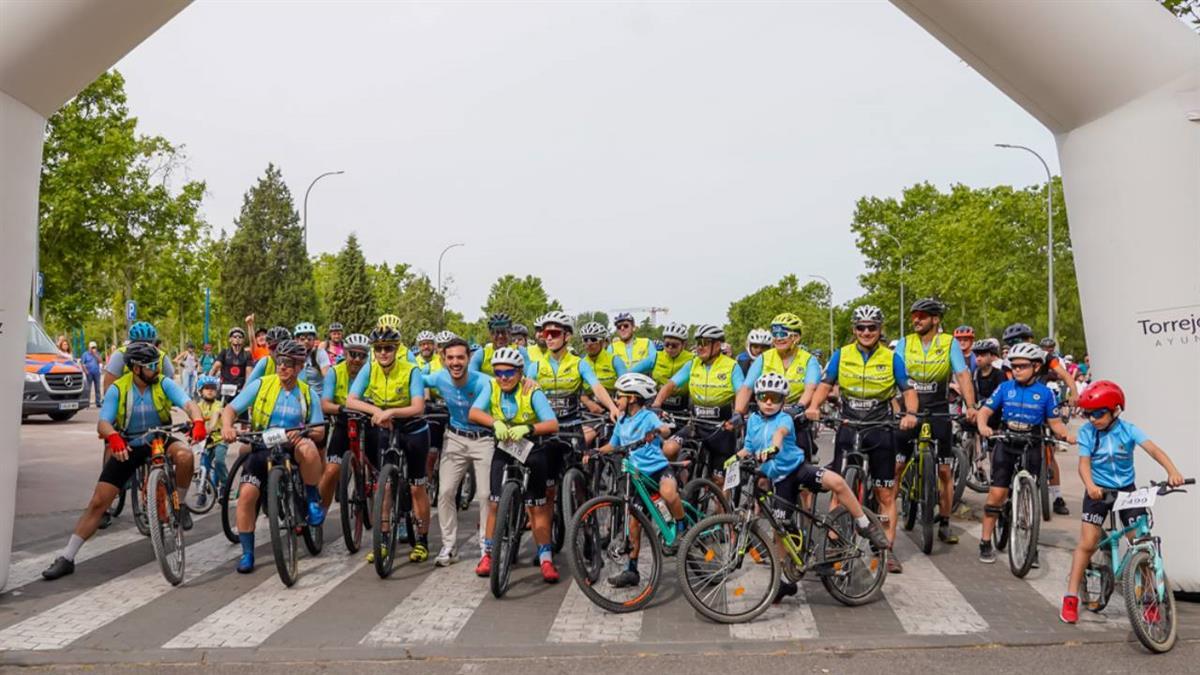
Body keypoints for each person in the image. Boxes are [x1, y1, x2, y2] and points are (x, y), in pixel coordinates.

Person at [41, 342, 207, 580]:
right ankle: (67, 556)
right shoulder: (118, 389)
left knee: (185, 455)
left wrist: (198, 420)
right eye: (150, 366)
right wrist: (114, 437)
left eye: (156, 364)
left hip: (159, 438)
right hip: (128, 444)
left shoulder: (163, 383)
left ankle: (177, 506)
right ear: (136, 368)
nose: (156, 369)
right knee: (99, 501)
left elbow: (189, 404)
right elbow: (103, 423)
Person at [738, 372, 891, 599]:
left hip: (798, 470)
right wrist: (736, 458)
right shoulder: (753, 421)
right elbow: (748, 447)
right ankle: (784, 581)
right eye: (764, 397)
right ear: (757, 398)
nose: (769, 402)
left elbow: (780, 435)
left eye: (775, 397)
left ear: (783, 400)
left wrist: (773, 449)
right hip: (779, 480)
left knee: (837, 481)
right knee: (780, 529)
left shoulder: (785, 419)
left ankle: (864, 523)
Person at [1060, 380, 1185, 624]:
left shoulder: (1128, 430)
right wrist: (1091, 486)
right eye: (1088, 414)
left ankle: (1149, 598)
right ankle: (1070, 597)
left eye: (1098, 413)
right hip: (1098, 491)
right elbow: (1083, 465)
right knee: (1087, 543)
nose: (1092, 419)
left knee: (1140, 542)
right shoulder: (1087, 432)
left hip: (1127, 491)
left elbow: (1154, 450)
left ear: (1115, 410)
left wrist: (1173, 471)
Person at [805, 305, 917, 572]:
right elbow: (824, 384)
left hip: (880, 427)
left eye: (872, 327)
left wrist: (910, 413)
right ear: (854, 329)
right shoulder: (841, 355)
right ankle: (833, 544)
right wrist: (814, 407)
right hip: (849, 423)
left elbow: (908, 390)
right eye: (861, 327)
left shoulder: (892, 358)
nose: (866, 332)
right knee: (838, 488)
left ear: (880, 330)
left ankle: (886, 550)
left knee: (885, 493)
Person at [220, 339, 326, 573]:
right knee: (247, 495)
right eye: (279, 362)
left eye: (288, 363)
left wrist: (305, 432)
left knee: (308, 448)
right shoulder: (261, 385)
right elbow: (230, 409)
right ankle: (247, 553)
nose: (282, 367)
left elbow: (320, 431)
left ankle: (310, 498)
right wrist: (227, 427)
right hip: (263, 444)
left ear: (299, 367)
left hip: (293, 446)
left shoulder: (308, 394)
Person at [975, 342, 1075, 565]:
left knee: (1030, 498)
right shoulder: (1005, 388)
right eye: (1014, 366)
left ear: (1036, 366)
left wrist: (1066, 435)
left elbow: (1056, 423)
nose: (1017, 370)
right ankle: (985, 541)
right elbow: (985, 411)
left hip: (1032, 444)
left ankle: (1030, 544)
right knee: (997, 495)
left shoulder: (1046, 393)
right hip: (1006, 442)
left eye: (1022, 366)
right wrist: (983, 426)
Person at [468, 347, 561, 582]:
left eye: (509, 372)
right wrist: (494, 421)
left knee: (537, 507)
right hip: (505, 447)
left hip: (531, 447)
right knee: (494, 503)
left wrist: (529, 428)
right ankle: (488, 554)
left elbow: (552, 423)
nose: (503, 378)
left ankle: (546, 558)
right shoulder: (492, 387)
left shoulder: (532, 390)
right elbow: (474, 412)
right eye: (498, 372)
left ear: (520, 373)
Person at [894, 298, 977, 548]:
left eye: (922, 315)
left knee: (944, 471)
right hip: (910, 411)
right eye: (914, 316)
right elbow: (894, 374)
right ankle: (886, 516)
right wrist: (894, 407)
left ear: (935, 319)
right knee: (897, 466)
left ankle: (944, 523)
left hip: (939, 410)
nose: (916, 319)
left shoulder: (948, 342)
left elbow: (962, 374)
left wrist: (971, 407)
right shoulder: (905, 343)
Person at [346, 323, 431, 563]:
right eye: (379, 348)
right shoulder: (370, 368)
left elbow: (418, 406)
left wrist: (391, 411)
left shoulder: (410, 370)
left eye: (389, 348)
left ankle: (422, 540)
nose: (383, 352)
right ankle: (383, 540)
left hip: (413, 429)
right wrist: (376, 410)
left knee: (417, 487)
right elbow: (351, 399)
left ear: (397, 349)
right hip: (386, 427)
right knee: (384, 487)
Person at [599, 373, 678, 589]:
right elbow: (613, 444)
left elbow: (665, 428)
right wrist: (595, 451)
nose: (616, 400)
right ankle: (631, 570)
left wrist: (658, 430)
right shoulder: (622, 421)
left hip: (658, 470)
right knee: (634, 523)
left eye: (619, 396)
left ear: (632, 398)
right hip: (636, 476)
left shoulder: (647, 416)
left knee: (669, 493)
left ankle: (681, 530)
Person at [421, 337, 494, 567]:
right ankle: (449, 545)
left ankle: (486, 545)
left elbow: (513, 382)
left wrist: (532, 383)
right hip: (454, 438)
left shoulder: (484, 382)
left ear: (468, 358)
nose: (455, 362)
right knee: (445, 492)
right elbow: (415, 378)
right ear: (443, 359)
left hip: (484, 439)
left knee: (485, 495)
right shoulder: (440, 377)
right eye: (450, 358)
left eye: (460, 357)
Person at [1004, 322, 1077, 515]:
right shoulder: (1009, 360)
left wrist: (1074, 393)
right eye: (1011, 343)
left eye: (1018, 341)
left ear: (1030, 340)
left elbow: (1065, 376)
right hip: (1023, 406)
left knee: (1050, 452)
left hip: (1045, 402)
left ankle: (1057, 496)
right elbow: (1009, 385)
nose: (1014, 345)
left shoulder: (1046, 357)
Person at [652, 324, 744, 474]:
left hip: (722, 427)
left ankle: (720, 494)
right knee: (669, 448)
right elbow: (670, 385)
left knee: (719, 480)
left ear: (718, 345)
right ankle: (679, 485)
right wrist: (657, 404)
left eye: (704, 343)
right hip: (696, 424)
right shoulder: (693, 364)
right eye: (698, 343)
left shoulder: (731, 366)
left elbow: (741, 391)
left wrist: (738, 413)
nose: (699, 347)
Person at [735, 313, 822, 464]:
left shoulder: (809, 360)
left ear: (796, 337)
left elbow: (810, 388)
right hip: (765, 415)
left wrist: (800, 406)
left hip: (795, 417)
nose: (778, 338)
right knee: (753, 466)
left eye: (783, 334)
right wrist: (738, 413)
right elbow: (747, 387)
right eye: (775, 334)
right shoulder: (764, 358)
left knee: (803, 473)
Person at [317, 333, 371, 510]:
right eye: (352, 354)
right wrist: (340, 409)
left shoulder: (373, 371)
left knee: (380, 469)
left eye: (362, 356)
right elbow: (325, 404)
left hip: (369, 421)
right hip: (343, 421)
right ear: (345, 353)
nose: (356, 359)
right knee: (331, 470)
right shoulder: (334, 372)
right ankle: (319, 513)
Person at [102, 321, 173, 390]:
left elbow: (171, 389)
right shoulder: (119, 356)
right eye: (139, 345)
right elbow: (108, 387)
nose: (144, 349)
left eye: (148, 345)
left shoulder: (162, 357)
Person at [195, 375, 229, 502]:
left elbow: (215, 415)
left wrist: (211, 427)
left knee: (219, 461)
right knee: (204, 465)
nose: (210, 391)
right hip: (205, 441)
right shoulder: (197, 406)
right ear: (200, 391)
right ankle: (201, 492)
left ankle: (225, 485)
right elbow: (194, 419)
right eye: (206, 388)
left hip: (220, 438)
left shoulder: (219, 404)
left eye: (213, 388)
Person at [652, 323, 694, 415]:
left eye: (674, 345)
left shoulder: (692, 359)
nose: (670, 348)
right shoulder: (656, 356)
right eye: (666, 344)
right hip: (659, 404)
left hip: (684, 405)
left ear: (684, 345)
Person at [579, 321, 625, 394]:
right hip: (589, 402)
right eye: (585, 340)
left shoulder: (615, 360)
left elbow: (625, 385)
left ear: (602, 342)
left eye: (593, 339)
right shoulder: (581, 363)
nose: (589, 343)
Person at [209, 326, 252, 399]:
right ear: (230, 339)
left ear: (243, 340)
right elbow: (215, 368)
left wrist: (245, 390)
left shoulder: (247, 355)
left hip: (240, 389)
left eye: (240, 337)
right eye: (235, 336)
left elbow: (249, 374)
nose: (237, 338)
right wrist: (209, 384)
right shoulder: (224, 352)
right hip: (225, 388)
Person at [81, 341, 103, 406]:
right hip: (89, 373)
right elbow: (82, 363)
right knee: (88, 388)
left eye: (94, 347)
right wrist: (86, 371)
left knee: (98, 388)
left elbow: (100, 361)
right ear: (89, 347)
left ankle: (98, 402)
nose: (93, 348)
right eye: (92, 347)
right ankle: (87, 402)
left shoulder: (97, 353)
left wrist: (95, 355)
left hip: (97, 373)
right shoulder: (85, 354)